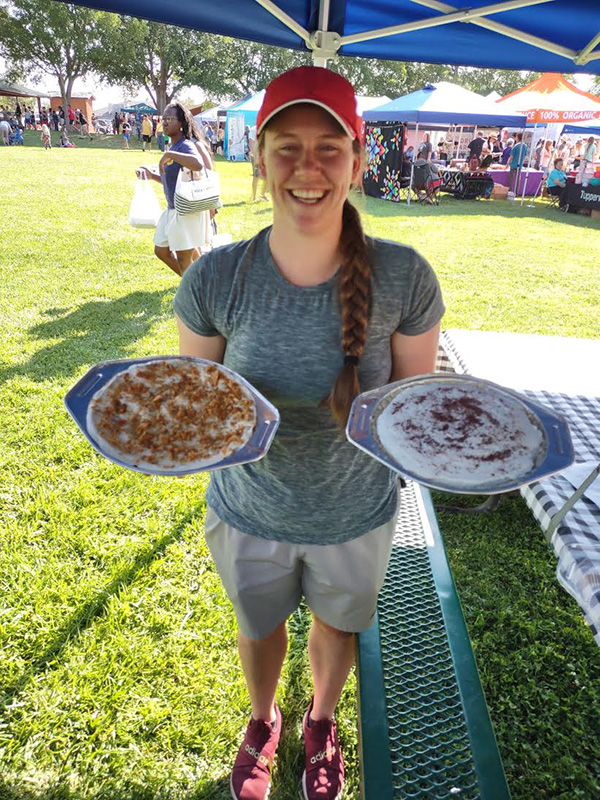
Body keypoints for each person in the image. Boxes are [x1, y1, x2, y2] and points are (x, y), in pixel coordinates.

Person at [172, 66, 444, 800]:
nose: (308, 167)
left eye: (330, 146)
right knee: (258, 627)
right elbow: (193, 409)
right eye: (286, 146)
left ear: (358, 158)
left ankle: (321, 721)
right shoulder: (215, 280)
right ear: (257, 160)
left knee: (337, 626)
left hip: (354, 513)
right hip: (248, 510)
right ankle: (262, 721)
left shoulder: (404, 276)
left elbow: (416, 410)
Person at [138, 102, 209, 276]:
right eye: (164, 119)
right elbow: (172, 181)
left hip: (184, 212)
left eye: (170, 119)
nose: (166, 122)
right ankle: (201, 288)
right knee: (161, 251)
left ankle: (194, 296)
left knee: (184, 258)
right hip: (172, 210)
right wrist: (151, 175)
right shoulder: (175, 146)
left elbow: (198, 164)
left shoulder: (185, 145)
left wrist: (170, 155)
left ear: (182, 123)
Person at [248, 124, 268, 202]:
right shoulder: (253, 130)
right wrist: (255, 155)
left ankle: (263, 193)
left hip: (265, 156)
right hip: (256, 156)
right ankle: (254, 197)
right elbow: (251, 142)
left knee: (268, 176)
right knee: (256, 176)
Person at [507, 132, 527, 197]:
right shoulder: (525, 146)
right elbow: (524, 156)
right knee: (518, 179)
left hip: (513, 164)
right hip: (520, 164)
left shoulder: (516, 146)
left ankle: (509, 190)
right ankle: (516, 192)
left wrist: (507, 163)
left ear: (517, 137)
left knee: (511, 178)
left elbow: (511, 156)